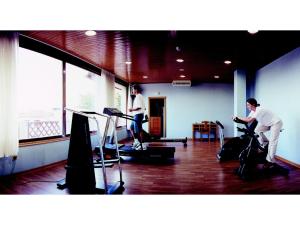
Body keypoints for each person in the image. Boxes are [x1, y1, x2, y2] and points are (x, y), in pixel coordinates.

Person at [233, 98, 283, 168]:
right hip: (267, 123)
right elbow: (247, 118)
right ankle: (264, 144)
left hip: (276, 123)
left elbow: (249, 120)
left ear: (253, 104)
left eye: (248, 105)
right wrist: (237, 119)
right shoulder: (253, 111)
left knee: (272, 142)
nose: (247, 107)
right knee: (257, 130)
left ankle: (270, 161)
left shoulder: (259, 110)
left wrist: (237, 117)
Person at [129, 84, 146, 150]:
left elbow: (139, 107)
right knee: (131, 128)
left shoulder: (138, 96)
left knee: (138, 130)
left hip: (138, 115)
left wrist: (131, 109)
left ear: (136, 90)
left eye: (133, 89)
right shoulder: (139, 96)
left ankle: (142, 145)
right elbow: (144, 108)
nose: (132, 91)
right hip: (136, 115)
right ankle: (136, 141)